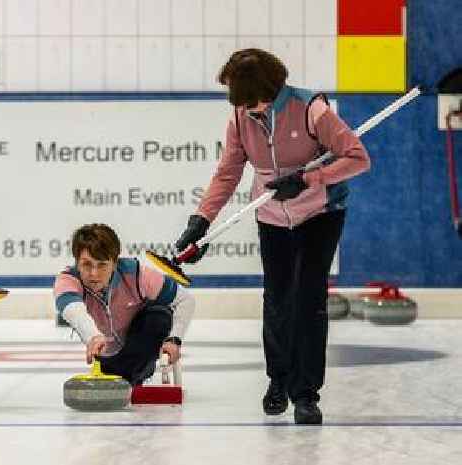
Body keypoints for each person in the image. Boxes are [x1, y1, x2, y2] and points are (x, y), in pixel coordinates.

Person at [175, 49, 370, 424]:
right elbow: (228, 172)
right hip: (271, 216)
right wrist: (201, 220)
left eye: (241, 93)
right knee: (278, 299)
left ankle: (306, 393)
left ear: (263, 87)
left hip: (320, 213)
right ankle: (278, 381)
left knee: (309, 298)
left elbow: (358, 158)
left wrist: (307, 179)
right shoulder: (241, 115)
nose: (240, 104)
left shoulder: (311, 108)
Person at [54, 224, 195, 384]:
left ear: (114, 263)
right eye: (86, 264)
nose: (93, 273)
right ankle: (126, 376)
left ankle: (132, 376)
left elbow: (185, 300)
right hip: (106, 357)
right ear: (77, 262)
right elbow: (73, 310)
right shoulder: (68, 280)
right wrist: (93, 336)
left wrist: (174, 339)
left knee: (159, 315)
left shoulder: (136, 274)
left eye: (102, 265)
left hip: (141, 346)